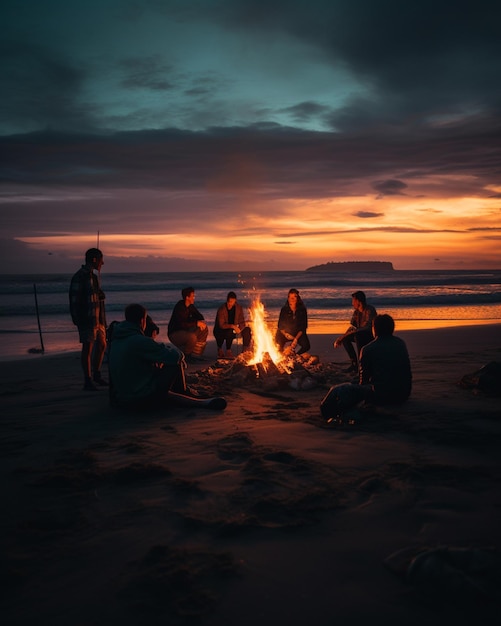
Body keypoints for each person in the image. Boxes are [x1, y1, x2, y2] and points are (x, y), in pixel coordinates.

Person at [108, 303, 226, 410]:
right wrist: (162, 351)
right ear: (142, 321)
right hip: (138, 396)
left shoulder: (116, 340)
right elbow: (176, 356)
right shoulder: (140, 341)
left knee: (161, 363)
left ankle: (184, 394)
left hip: (121, 396)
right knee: (173, 363)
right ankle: (184, 393)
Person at [321, 314, 412, 421]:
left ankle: (328, 414)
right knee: (354, 382)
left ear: (375, 329)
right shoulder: (400, 343)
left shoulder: (368, 349)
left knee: (337, 390)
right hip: (403, 393)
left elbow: (363, 380)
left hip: (382, 395)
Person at [69, 247, 107, 391]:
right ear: (94, 260)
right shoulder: (80, 276)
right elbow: (74, 299)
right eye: (101, 260)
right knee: (88, 348)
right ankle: (88, 380)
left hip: (98, 319)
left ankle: (97, 374)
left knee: (102, 345)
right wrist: (77, 318)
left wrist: (100, 295)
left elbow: (96, 297)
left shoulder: (94, 277)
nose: (102, 263)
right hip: (87, 319)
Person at [333, 290, 377, 372]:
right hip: (359, 334)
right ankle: (354, 364)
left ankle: (362, 363)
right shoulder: (356, 312)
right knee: (346, 339)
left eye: (353, 301)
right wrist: (342, 337)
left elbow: (367, 327)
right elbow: (352, 327)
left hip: (371, 335)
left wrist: (354, 332)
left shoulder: (370, 310)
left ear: (358, 301)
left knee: (358, 336)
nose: (352, 303)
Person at [167, 287, 208, 361]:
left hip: (186, 331)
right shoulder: (180, 307)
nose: (194, 298)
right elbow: (182, 324)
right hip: (175, 333)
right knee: (192, 337)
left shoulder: (190, 306)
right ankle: (187, 356)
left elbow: (199, 315)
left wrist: (201, 321)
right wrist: (196, 323)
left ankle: (196, 354)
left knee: (204, 328)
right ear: (187, 297)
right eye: (192, 296)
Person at [213, 291, 252, 359]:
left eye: (232, 302)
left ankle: (244, 351)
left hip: (234, 329)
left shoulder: (238, 308)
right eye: (229, 302)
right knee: (229, 331)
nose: (230, 304)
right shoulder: (222, 309)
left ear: (235, 301)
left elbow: (242, 322)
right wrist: (232, 326)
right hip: (221, 330)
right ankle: (227, 350)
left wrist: (240, 328)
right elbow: (221, 325)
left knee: (247, 330)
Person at [275, 288, 311, 356]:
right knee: (277, 342)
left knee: (306, 346)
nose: (293, 299)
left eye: (295, 297)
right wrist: (286, 334)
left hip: (297, 333)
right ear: (288, 299)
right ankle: (281, 356)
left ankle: (295, 356)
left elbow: (303, 327)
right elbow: (280, 326)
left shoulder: (302, 310)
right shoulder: (284, 310)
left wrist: (295, 339)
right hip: (286, 333)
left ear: (298, 298)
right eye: (291, 298)